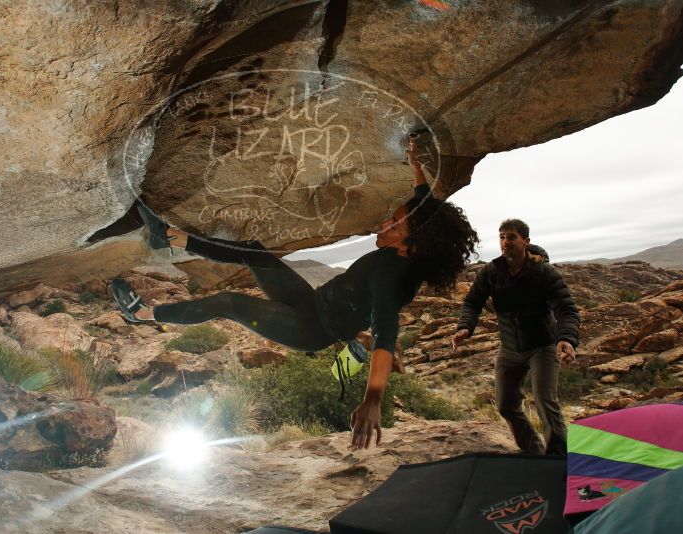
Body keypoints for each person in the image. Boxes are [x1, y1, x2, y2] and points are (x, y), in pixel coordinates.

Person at [112, 139, 479, 449]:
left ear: (412, 242)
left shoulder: (392, 274)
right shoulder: (409, 251)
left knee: (228, 304)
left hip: (310, 329)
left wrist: (373, 398)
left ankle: (142, 315)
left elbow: (386, 335)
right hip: (311, 301)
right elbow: (424, 201)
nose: (385, 222)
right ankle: (170, 237)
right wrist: (415, 162)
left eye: (394, 223)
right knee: (253, 249)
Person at [451, 219, 579, 455]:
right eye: (501, 237)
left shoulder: (544, 273)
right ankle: (533, 453)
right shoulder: (492, 271)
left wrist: (566, 339)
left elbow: (566, 309)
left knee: (545, 403)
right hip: (510, 348)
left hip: (543, 345)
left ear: (525, 241)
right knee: (506, 405)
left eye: (511, 237)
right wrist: (466, 326)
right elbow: (472, 301)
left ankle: (558, 460)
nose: (505, 242)